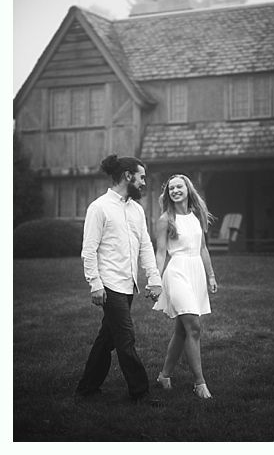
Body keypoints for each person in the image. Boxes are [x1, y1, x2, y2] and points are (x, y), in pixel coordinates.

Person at [76, 154, 163, 405]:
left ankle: (87, 387)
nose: (144, 182)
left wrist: (153, 279)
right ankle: (140, 392)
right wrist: (95, 284)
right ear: (128, 176)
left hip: (128, 285)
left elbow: (146, 246)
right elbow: (89, 250)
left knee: (108, 339)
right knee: (125, 339)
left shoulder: (136, 210)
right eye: (142, 177)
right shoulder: (99, 207)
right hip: (109, 285)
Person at [151, 174, 219, 399]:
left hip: (196, 272)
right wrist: (155, 280)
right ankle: (200, 384)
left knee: (182, 330)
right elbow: (161, 253)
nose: (175, 190)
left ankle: (164, 376)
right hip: (177, 272)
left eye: (179, 186)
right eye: (171, 188)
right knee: (194, 327)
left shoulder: (197, 216)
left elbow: (203, 249)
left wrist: (210, 276)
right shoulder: (165, 219)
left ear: (188, 189)